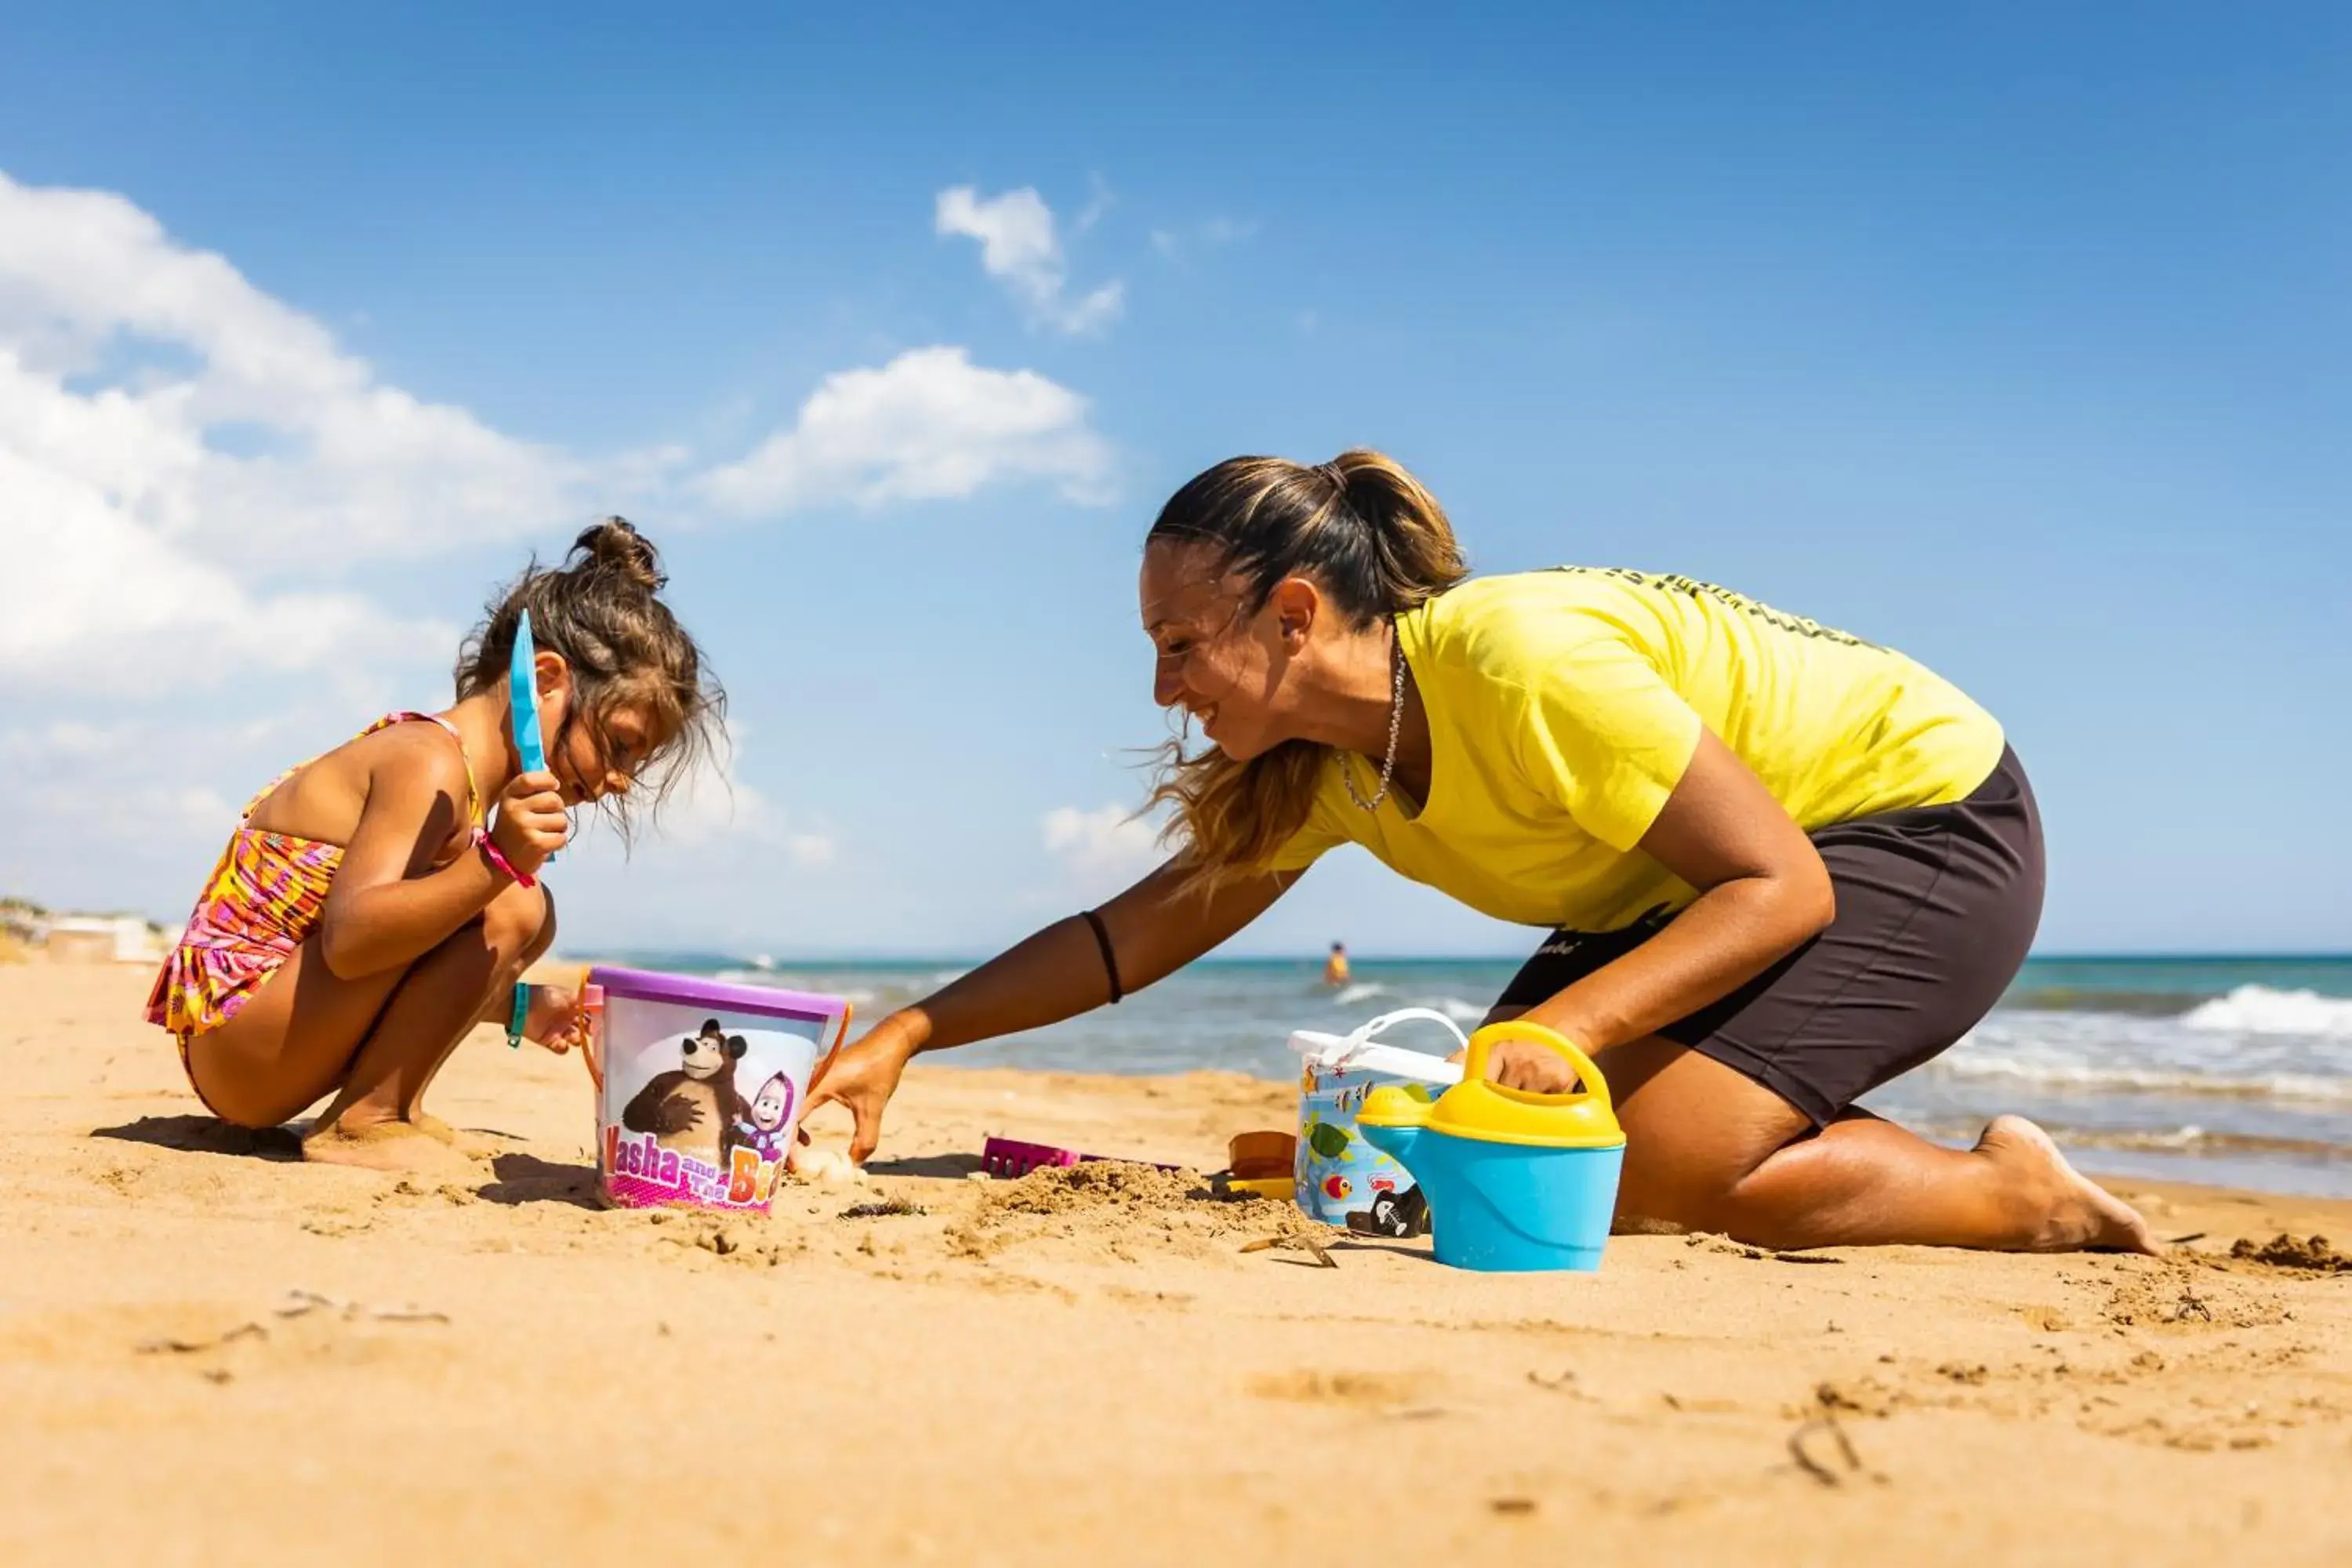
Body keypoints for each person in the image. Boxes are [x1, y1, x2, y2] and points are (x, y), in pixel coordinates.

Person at [804, 450, 2155, 1254]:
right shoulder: (1334, 766)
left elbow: (1782, 886)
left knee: (1650, 1163)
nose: (1163, 691)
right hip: (1703, 881)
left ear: (1290, 612)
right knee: (1503, 1164)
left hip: (1918, 819)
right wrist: (912, 1034)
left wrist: (1562, 1038)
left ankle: (2014, 1199)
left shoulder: (1516, 663)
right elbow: (1133, 934)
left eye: (1178, 646)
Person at [146, 519, 724, 1176]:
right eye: (620, 744)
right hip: (241, 1041)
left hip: (253, 1044)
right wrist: (497, 859)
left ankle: (397, 1110)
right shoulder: (429, 762)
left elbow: (403, 955)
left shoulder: (462, 779)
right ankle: (368, 1122)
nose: (619, 778)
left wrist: (520, 1006)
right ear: (545, 680)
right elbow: (353, 939)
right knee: (515, 904)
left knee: (520, 905)